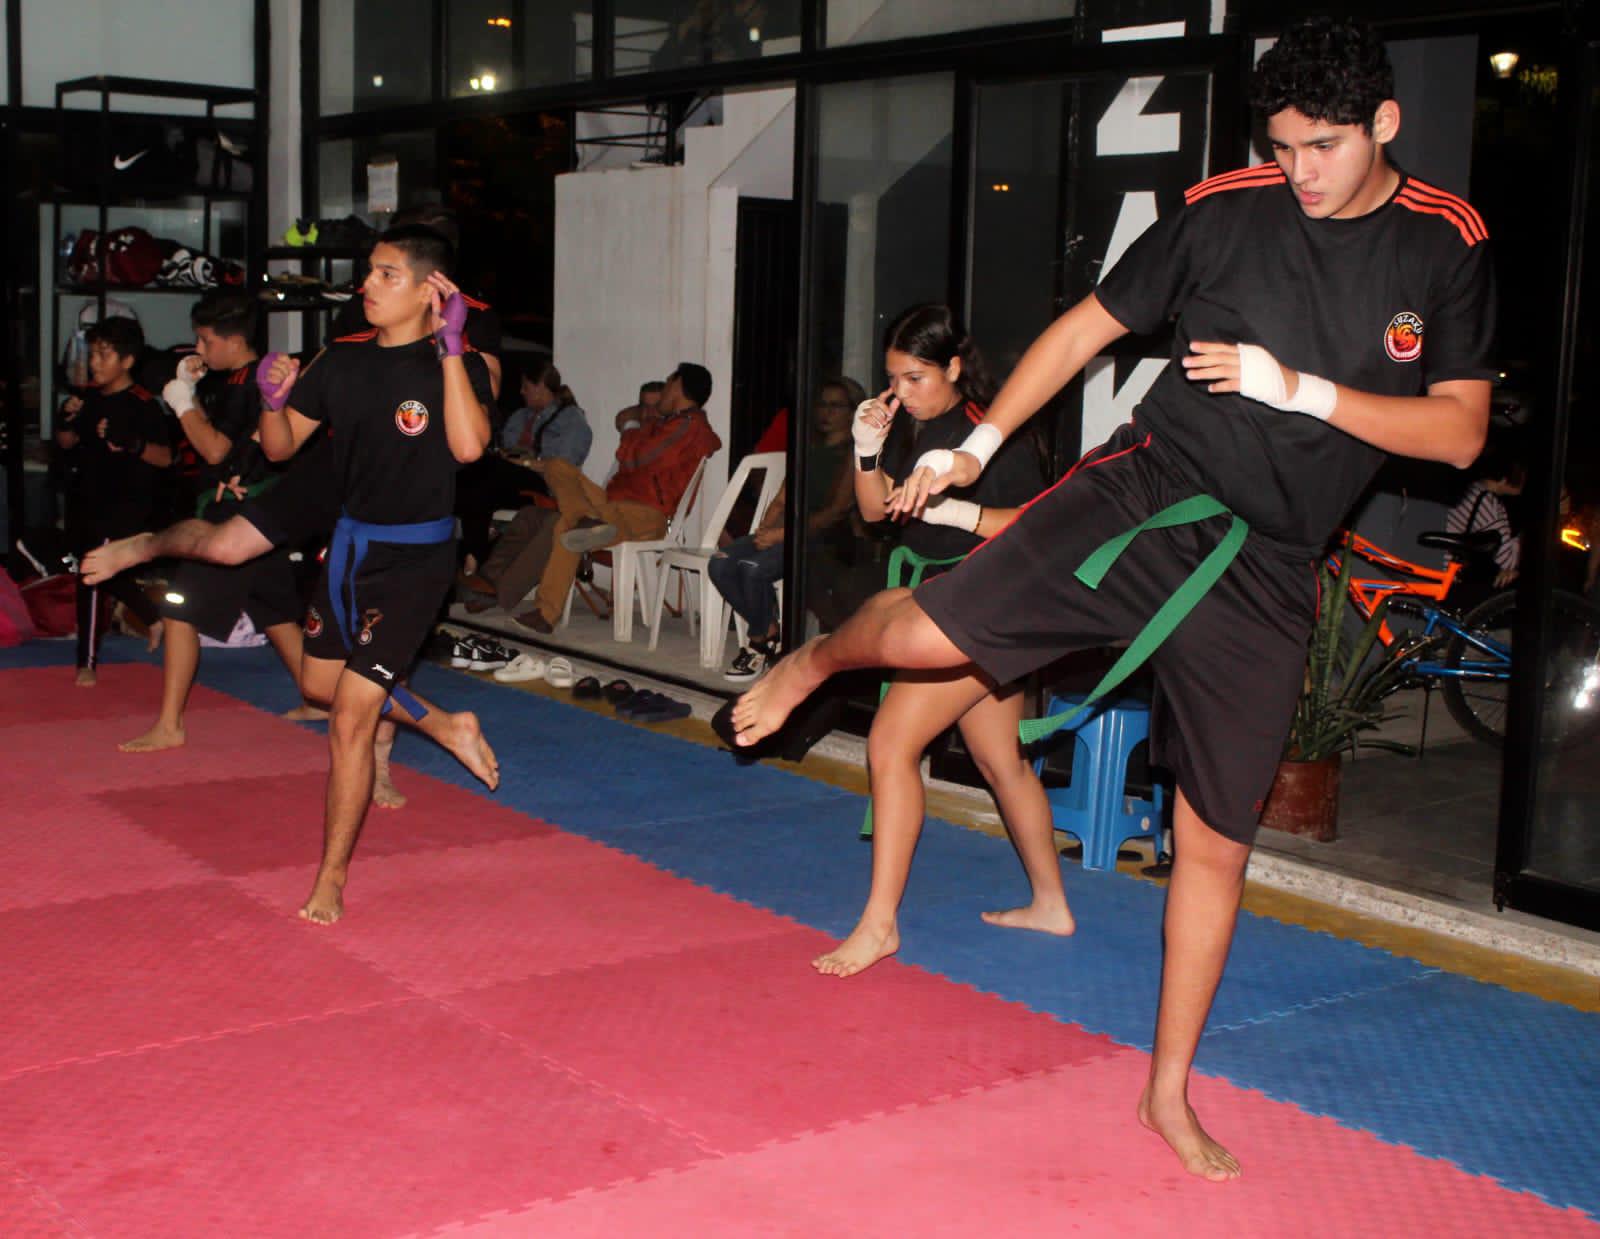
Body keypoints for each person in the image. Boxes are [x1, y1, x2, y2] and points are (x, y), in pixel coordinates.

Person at [724, 18, 1495, 1181]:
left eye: (1323, 147)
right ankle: (817, 659)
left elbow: (1459, 429)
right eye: (1283, 147)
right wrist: (978, 445)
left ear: (1384, 125)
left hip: (1273, 561)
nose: (1301, 173)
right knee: (931, 637)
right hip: (1147, 488)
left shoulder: (1445, 244)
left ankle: (1167, 1092)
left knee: (1216, 845)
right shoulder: (1228, 204)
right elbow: (1090, 326)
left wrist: (1303, 391)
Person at [86, 225, 504, 924]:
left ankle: (330, 879)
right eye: (368, 273)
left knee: (347, 719)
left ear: (431, 290)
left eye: (386, 275)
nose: (366, 286)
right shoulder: (341, 360)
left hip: (415, 560)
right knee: (316, 681)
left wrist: (455, 345)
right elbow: (280, 448)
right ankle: (443, 722)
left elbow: (467, 446)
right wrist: (277, 400)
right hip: (348, 547)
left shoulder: (463, 362)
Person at [798, 308, 1070, 976]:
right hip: (937, 600)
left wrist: (962, 512)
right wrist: (867, 450)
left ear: (952, 367)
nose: (900, 391)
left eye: (914, 377)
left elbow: (1037, 527)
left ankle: (879, 923)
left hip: (973, 603)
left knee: (891, 744)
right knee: (998, 757)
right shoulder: (912, 423)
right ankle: (1051, 903)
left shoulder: (988, 433)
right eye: (892, 378)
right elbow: (873, 510)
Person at [118, 290, 325, 753]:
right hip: (252, 512)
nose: (199, 347)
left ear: (233, 340)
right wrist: (189, 384)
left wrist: (182, 401)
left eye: (206, 339)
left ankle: (170, 725)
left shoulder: (258, 380)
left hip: (240, 515)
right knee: (274, 613)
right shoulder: (226, 376)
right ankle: (319, 700)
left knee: (177, 611)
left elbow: (215, 450)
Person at [513, 362, 722, 634]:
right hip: (613, 505)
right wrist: (638, 419)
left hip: (649, 514)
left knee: (568, 526)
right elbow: (629, 429)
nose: (664, 390)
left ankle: (545, 612)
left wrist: (631, 427)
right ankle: (584, 518)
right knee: (557, 466)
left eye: (669, 382)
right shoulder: (664, 424)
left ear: (678, 387)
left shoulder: (690, 426)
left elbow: (634, 456)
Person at [715, 377, 861, 680]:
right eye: (823, 404)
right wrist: (764, 529)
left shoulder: (854, 454)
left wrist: (782, 535)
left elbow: (835, 512)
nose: (826, 412)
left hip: (822, 538)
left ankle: (758, 642)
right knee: (721, 563)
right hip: (786, 531)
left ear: (851, 412)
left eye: (835, 406)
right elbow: (782, 498)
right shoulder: (807, 448)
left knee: (752, 569)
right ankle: (768, 628)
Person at [55, 315, 172, 685]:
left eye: (105, 355)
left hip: (128, 504)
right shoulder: (87, 396)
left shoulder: (143, 405)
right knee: (99, 570)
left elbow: (167, 458)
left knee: (91, 571)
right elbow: (66, 443)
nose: (95, 363)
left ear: (127, 361)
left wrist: (131, 444)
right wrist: (66, 421)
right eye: (93, 354)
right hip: (88, 496)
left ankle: (86, 662)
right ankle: (153, 617)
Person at [456, 356, 590, 578]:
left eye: (526, 387)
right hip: (504, 481)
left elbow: (562, 467)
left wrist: (524, 462)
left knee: (487, 473)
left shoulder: (571, 419)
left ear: (540, 387)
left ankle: (474, 555)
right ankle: (473, 556)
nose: (521, 392)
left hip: (541, 484)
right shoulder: (520, 417)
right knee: (474, 478)